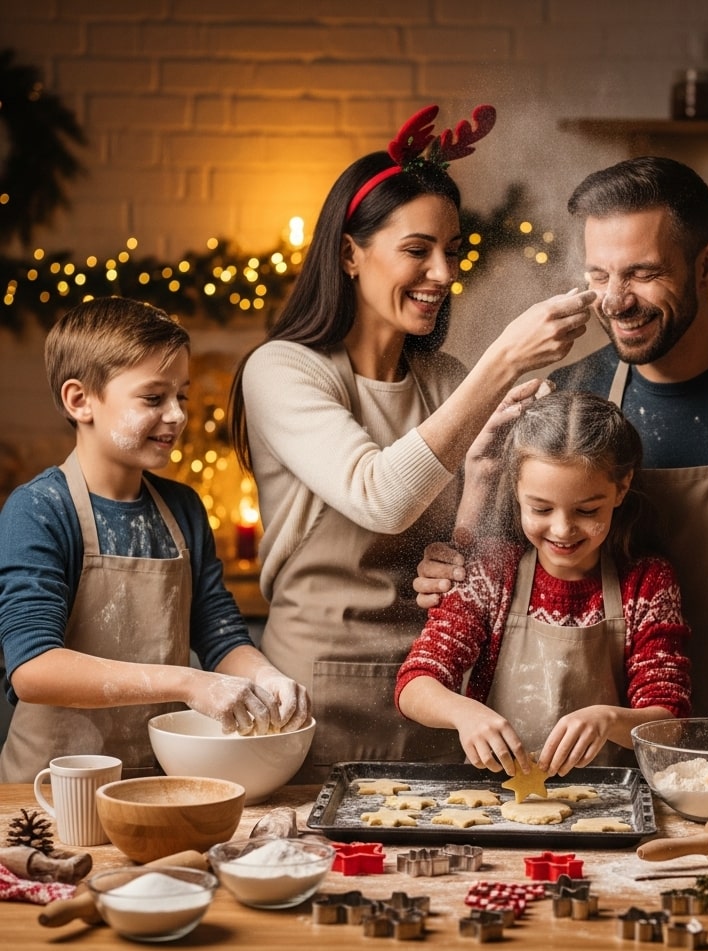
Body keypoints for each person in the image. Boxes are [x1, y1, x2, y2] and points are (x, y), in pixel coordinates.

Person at [415, 156, 708, 795]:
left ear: (707, 266)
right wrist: (452, 556)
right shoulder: (568, 396)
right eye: (599, 275)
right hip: (597, 779)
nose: (616, 301)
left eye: (643, 274)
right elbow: (500, 558)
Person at [228, 104, 594, 780]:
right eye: (418, 251)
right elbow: (380, 496)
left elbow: (493, 541)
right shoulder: (282, 370)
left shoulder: (444, 380)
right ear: (348, 253)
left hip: (437, 694)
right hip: (316, 703)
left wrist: (458, 550)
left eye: (453, 252)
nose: (444, 275)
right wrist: (505, 361)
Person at [0, 297, 311, 783]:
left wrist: (263, 675)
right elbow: (33, 668)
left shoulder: (182, 509)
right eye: (153, 398)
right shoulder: (39, 510)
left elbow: (220, 633)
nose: (177, 415)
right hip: (53, 791)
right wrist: (187, 682)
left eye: (181, 396)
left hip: (156, 783)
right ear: (79, 400)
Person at [396, 389, 691, 778]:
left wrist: (607, 719)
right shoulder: (492, 572)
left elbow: (669, 722)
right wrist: (463, 712)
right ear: (516, 490)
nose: (563, 529)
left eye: (587, 510)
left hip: (609, 798)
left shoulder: (647, 582)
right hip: (490, 801)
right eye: (541, 508)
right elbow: (415, 682)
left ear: (621, 488)